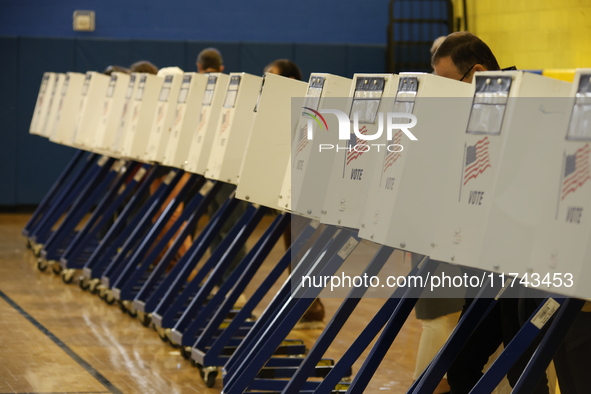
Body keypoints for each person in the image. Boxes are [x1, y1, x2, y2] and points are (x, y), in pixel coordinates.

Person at [431, 31, 550, 394]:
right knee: (463, 367)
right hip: (487, 266)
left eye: (449, 85)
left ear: (477, 72)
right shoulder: (480, 111)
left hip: (522, 266)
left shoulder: (527, 106)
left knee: (522, 371)